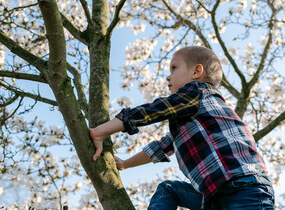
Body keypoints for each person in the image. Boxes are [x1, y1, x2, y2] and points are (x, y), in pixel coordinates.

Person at [89, 46, 275, 210]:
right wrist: (125, 163)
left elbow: (154, 110)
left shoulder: (198, 93)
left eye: (174, 68)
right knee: (168, 189)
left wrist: (101, 131)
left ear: (196, 72)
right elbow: (162, 147)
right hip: (214, 196)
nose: (168, 76)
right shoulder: (197, 118)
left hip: (244, 187)